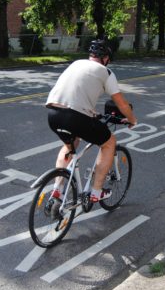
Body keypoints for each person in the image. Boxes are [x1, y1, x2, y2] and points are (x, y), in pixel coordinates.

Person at [46, 39, 137, 208]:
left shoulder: (76, 64)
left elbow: (76, 95)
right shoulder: (106, 72)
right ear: (106, 58)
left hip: (52, 113)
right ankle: (96, 192)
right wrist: (132, 120)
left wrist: (92, 114)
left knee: (70, 144)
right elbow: (122, 104)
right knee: (109, 143)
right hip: (75, 116)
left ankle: (57, 190)